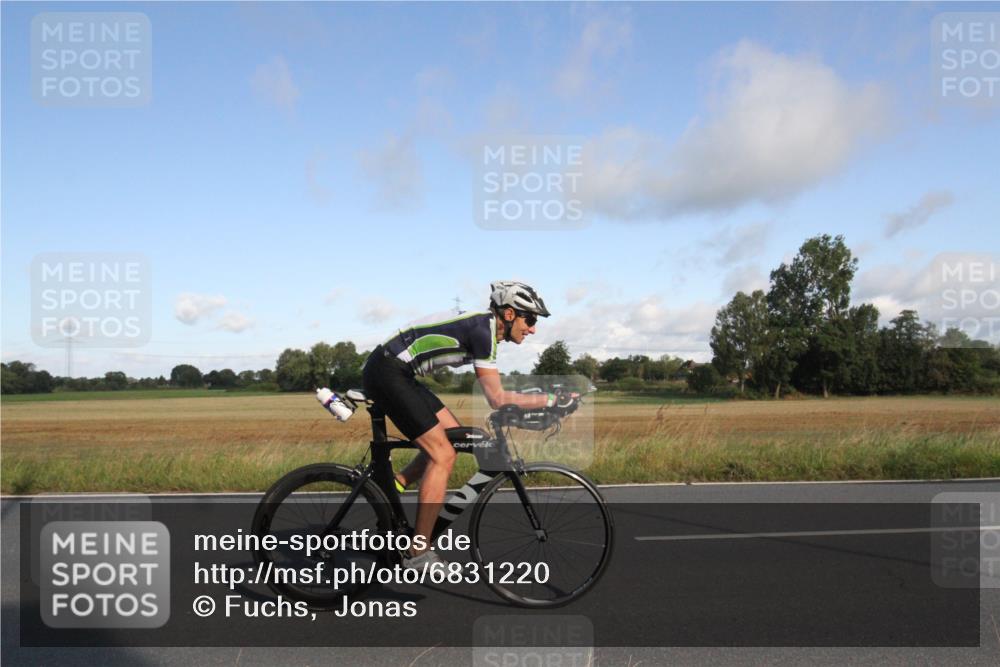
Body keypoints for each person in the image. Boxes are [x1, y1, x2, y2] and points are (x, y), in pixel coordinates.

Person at [361, 281, 578, 568]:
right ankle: (418, 552)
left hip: (400, 373)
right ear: (509, 314)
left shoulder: (486, 329)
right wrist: (551, 399)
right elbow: (497, 397)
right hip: (388, 372)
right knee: (443, 454)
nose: (533, 328)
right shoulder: (483, 330)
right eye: (530, 319)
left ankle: (393, 487)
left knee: (451, 438)